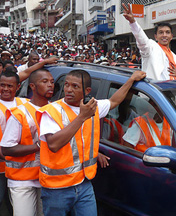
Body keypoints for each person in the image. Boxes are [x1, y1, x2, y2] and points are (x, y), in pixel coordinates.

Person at [36, 69, 146, 215]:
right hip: (57, 188)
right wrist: (82, 117)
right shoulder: (51, 112)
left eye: (75, 86)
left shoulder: (92, 107)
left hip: (84, 183)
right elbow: (54, 145)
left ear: (87, 91)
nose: (68, 89)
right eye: (67, 85)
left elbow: (114, 101)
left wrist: (131, 80)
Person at [0, 69, 54, 216]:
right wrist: (37, 146)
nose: (50, 85)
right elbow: (6, 149)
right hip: (22, 180)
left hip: (46, 177)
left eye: (52, 82)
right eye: (45, 82)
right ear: (32, 86)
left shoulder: (55, 110)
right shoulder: (19, 113)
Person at [122, 3, 176, 80]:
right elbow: (142, 40)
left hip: (171, 90)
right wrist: (133, 22)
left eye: (167, 32)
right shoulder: (151, 47)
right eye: (161, 32)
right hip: (154, 90)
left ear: (171, 36)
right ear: (155, 37)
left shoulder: (175, 57)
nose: (164, 35)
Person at [0, 70, 29, 213]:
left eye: (10, 86)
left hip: (20, 170)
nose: (5, 89)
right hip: (2, 169)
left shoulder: (26, 103)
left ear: (18, 87)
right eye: (2, 85)